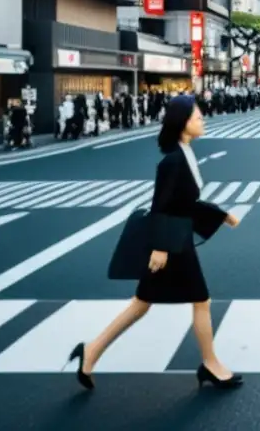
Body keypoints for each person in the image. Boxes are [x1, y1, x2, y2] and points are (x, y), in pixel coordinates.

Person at [69, 95, 243, 390]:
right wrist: (160, 248)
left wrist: (220, 214)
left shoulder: (184, 152)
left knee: (142, 304)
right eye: (198, 116)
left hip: (175, 240)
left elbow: (185, 201)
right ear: (183, 123)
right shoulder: (173, 161)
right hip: (171, 245)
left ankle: (92, 351)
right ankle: (211, 364)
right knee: (200, 301)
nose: (203, 120)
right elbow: (161, 205)